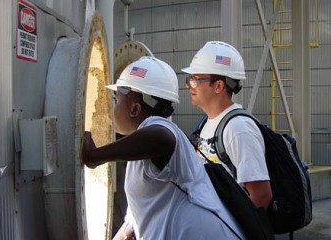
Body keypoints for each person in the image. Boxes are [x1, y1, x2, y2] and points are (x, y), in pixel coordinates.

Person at [82, 56, 245, 240]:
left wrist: (95, 156)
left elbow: (161, 139)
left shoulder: (161, 130)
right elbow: (133, 223)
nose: (112, 108)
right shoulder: (142, 152)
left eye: (116, 99)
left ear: (135, 109)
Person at [181, 41, 273, 209]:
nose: (188, 85)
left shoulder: (238, 129)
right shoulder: (207, 122)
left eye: (195, 79)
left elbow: (261, 195)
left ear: (218, 86)